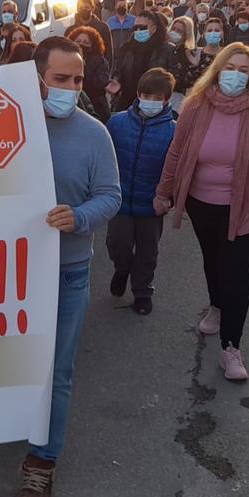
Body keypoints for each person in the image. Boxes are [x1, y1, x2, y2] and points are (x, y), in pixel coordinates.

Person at [154, 43, 249, 381]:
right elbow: (176, 152)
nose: (235, 75)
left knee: (237, 275)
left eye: (243, 70)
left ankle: (231, 347)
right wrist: (164, 193)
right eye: (229, 67)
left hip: (247, 207)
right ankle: (217, 306)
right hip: (202, 203)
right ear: (217, 69)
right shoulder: (195, 105)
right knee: (213, 261)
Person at [18, 37, 120, 497]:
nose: (71, 88)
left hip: (67, 270)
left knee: (57, 370)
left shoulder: (94, 133)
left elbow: (111, 196)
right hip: (9, 274)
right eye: (61, 79)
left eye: (77, 80)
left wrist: (77, 217)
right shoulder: (8, 128)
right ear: (36, 78)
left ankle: (42, 462)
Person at [106, 68, 176, 315]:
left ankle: (142, 292)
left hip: (152, 205)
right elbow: (105, 159)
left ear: (167, 99)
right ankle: (122, 268)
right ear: (138, 94)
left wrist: (169, 198)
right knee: (117, 243)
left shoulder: (173, 130)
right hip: (120, 200)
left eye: (158, 98)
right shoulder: (117, 123)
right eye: (148, 96)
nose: (152, 102)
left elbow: (177, 170)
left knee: (148, 252)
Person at [111, 11, 174, 112]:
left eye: (143, 27)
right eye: (135, 28)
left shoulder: (166, 50)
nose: (138, 30)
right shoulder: (126, 48)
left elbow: (171, 78)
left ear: (153, 28)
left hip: (153, 103)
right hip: (127, 102)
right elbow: (118, 71)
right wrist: (116, 84)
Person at [68, 26, 112, 120]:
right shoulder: (66, 60)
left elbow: (101, 82)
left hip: (97, 107)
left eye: (86, 42)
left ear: (93, 45)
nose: (81, 44)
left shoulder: (101, 61)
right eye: (78, 41)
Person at [65, 0, 114, 65]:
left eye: (87, 7)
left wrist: (106, 72)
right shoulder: (70, 30)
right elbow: (66, 53)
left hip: (97, 70)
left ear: (92, 8)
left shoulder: (103, 28)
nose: (84, 9)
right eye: (81, 8)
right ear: (77, 9)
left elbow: (109, 54)